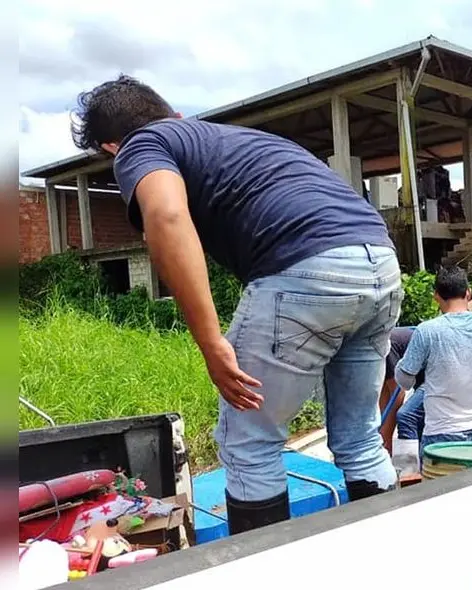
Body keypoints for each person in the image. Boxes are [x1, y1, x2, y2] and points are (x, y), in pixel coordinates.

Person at [71, 75, 401, 535]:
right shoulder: (234, 138)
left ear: (110, 147)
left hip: (305, 267)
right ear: (177, 114)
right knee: (361, 437)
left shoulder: (141, 144)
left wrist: (210, 342)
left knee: (249, 444)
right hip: (380, 263)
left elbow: (166, 217)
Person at [394, 266, 472, 454]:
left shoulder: (427, 331)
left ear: (436, 296)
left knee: (439, 484)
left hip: (441, 434)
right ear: (468, 293)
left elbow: (404, 380)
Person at [379, 328, 425, 453]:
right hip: (421, 380)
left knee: (406, 415)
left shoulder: (384, 345)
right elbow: (385, 395)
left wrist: (386, 438)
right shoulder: (376, 350)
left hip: (434, 379)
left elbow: (397, 394)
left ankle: (409, 464)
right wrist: (383, 434)